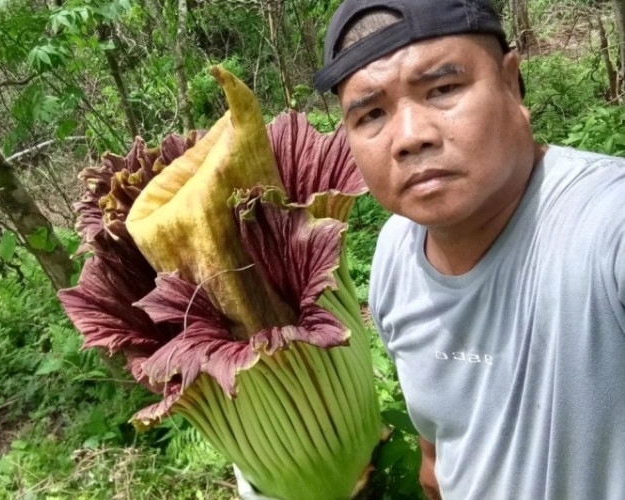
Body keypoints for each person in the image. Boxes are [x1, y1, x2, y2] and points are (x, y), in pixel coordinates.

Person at [239, 0, 625, 498]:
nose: (410, 137)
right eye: (372, 113)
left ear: (512, 83)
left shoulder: (604, 224)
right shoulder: (395, 253)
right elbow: (436, 460)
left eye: (442, 89)